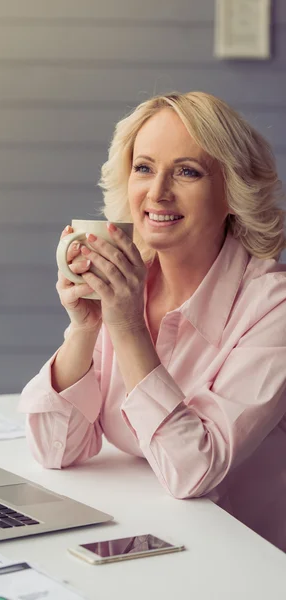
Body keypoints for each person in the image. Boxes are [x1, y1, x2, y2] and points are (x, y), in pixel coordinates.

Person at [18, 91, 286, 552]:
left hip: (243, 559)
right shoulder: (129, 278)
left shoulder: (272, 307)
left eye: (187, 171)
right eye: (144, 168)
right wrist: (85, 327)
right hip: (142, 536)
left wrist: (126, 328)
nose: (157, 191)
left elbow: (192, 473)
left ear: (232, 192)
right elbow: (55, 449)